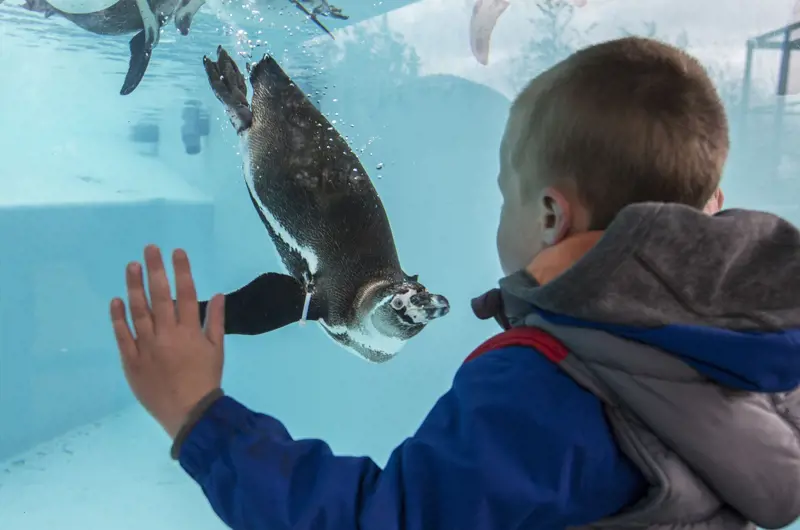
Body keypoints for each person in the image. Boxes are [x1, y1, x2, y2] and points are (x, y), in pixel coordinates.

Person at [109, 36, 800, 529]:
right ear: (710, 207)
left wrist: (200, 418)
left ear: (552, 215)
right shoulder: (757, 366)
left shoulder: (542, 391)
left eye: (506, 195)